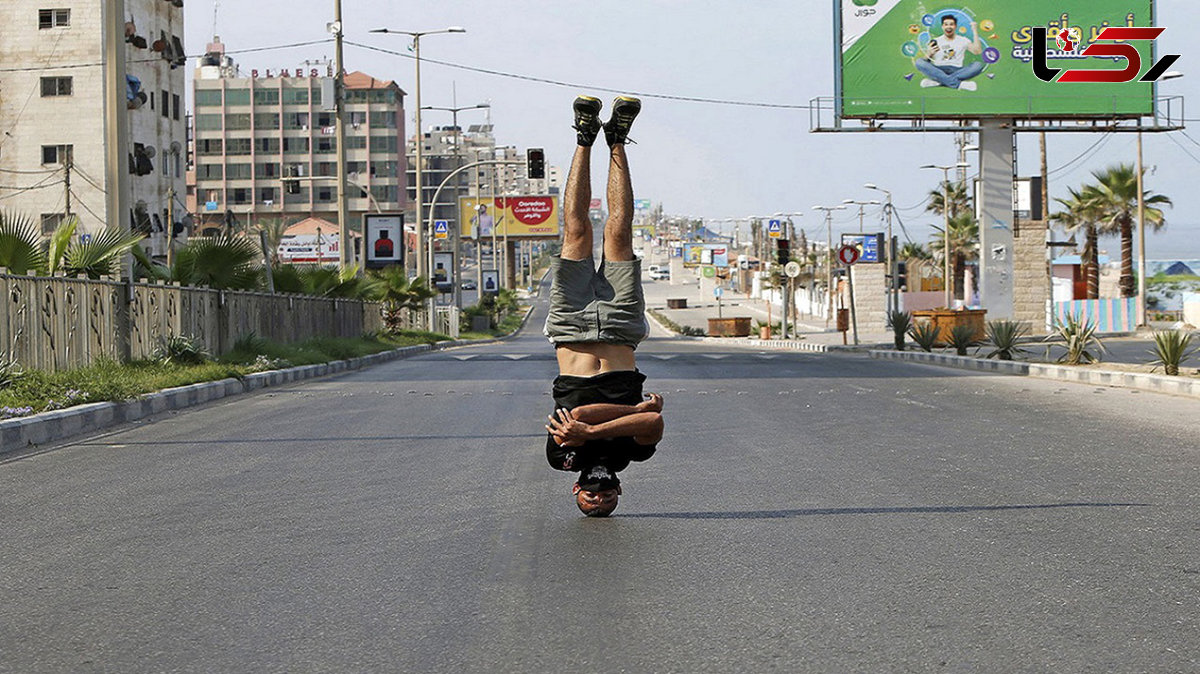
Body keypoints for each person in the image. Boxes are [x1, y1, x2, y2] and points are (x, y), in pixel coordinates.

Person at [543, 95, 664, 518]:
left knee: (575, 232)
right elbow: (651, 424)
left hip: (570, 328)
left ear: (576, 489)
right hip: (621, 329)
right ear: (618, 492)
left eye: (591, 496)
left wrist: (612, 418)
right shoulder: (631, 457)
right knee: (619, 234)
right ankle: (616, 140)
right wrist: (627, 418)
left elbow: (579, 411)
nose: (600, 492)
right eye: (606, 496)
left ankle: (583, 137)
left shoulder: (563, 460)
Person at [915, 14, 983, 91]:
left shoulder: (963, 40)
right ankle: (959, 84)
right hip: (938, 69)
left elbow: (978, 51)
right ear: (942, 27)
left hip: (957, 70)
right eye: (946, 24)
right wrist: (929, 54)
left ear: (955, 26)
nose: (948, 27)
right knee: (919, 62)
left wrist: (975, 30)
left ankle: (939, 81)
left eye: (951, 24)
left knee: (978, 65)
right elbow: (925, 61)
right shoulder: (935, 41)